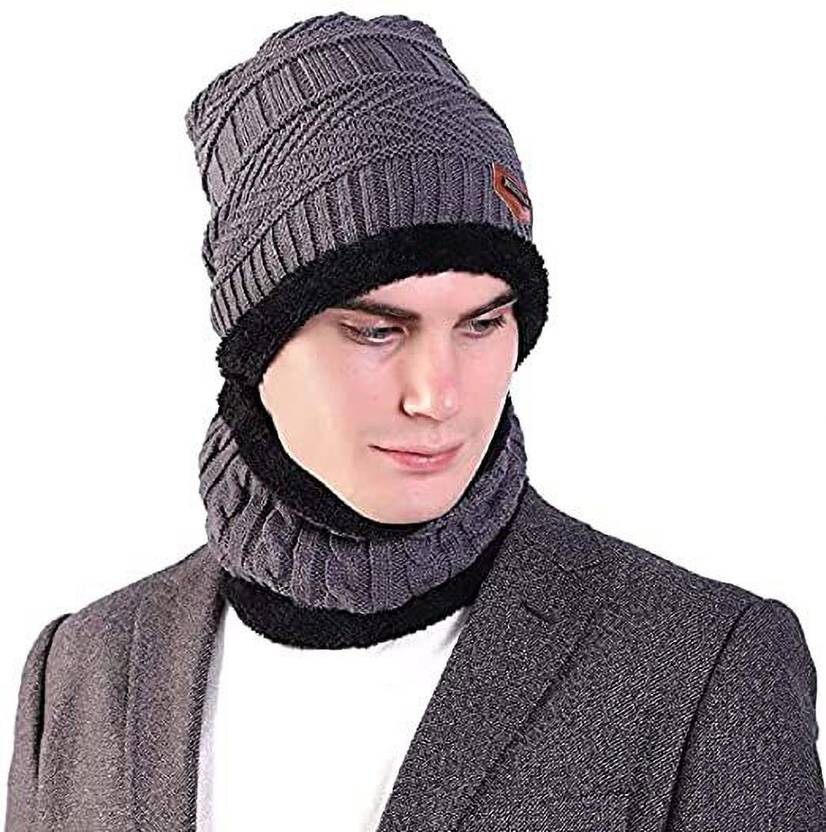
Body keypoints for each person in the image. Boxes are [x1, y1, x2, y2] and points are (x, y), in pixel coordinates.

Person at [5, 12, 825, 832]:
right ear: (255, 342)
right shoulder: (82, 668)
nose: (437, 396)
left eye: (483, 323)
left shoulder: (705, 666)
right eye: (376, 330)